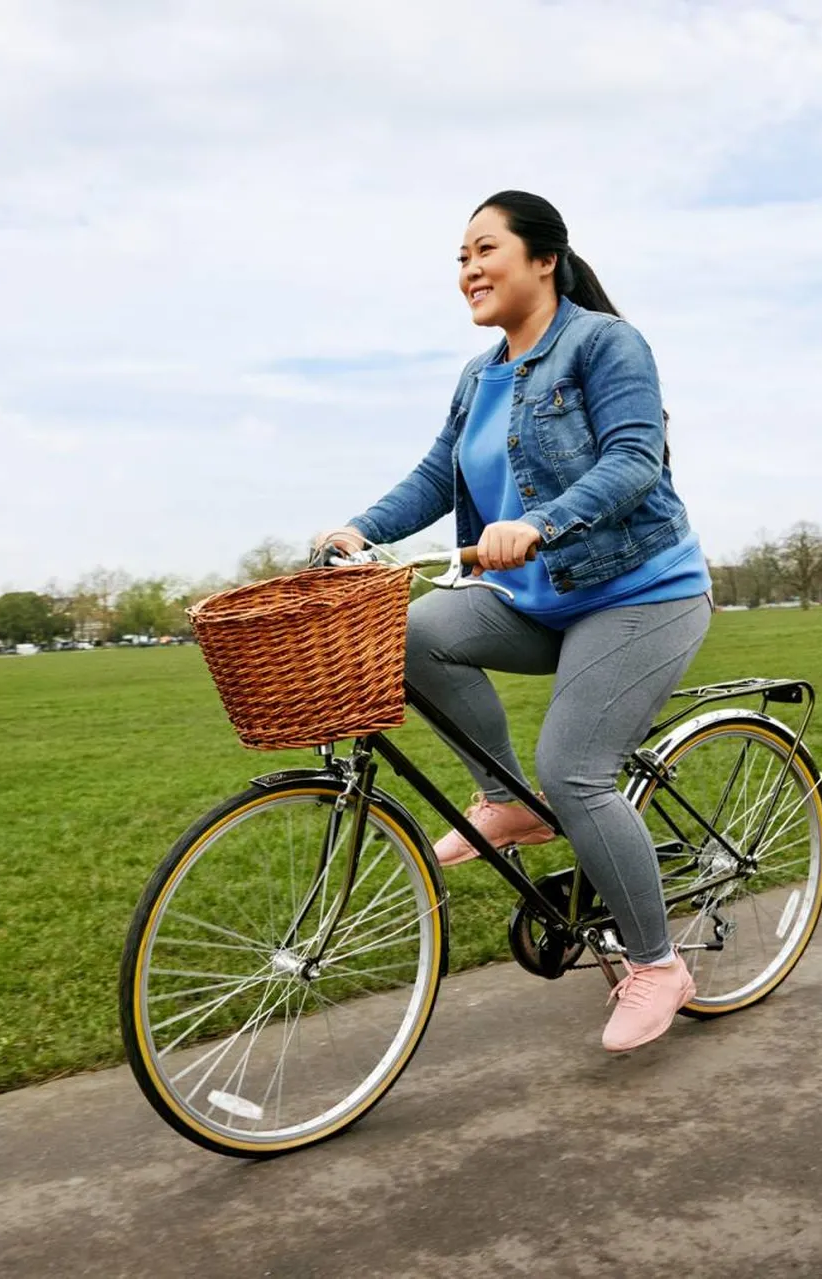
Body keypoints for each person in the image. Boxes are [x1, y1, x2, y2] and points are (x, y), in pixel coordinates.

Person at [315, 191, 712, 1052]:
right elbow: (437, 474)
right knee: (412, 636)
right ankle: (506, 801)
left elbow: (635, 460)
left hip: (642, 594)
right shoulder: (479, 376)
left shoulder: (605, 343)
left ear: (544, 258)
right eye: (460, 258)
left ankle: (657, 964)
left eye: (484, 249)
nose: (468, 269)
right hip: (537, 601)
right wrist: (361, 529)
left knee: (574, 769)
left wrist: (540, 522)